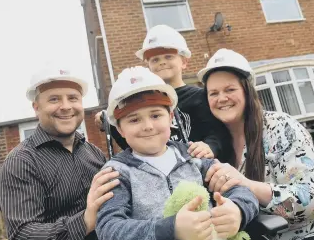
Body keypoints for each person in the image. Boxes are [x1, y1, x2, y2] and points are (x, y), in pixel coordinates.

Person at [95, 66, 280, 240]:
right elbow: (109, 231)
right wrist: (172, 230)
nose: (148, 126)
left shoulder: (194, 156)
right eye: (134, 119)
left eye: (156, 115)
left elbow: (239, 189)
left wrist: (237, 210)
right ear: (120, 129)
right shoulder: (117, 172)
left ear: (171, 117)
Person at [199, 48, 314, 240]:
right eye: (213, 93)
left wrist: (246, 185)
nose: (221, 98)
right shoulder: (210, 147)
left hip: (303, 237)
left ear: (247, 90)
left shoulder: (283, 128)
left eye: (230, 89)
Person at [0, 64, 120, 240]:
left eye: (73, 98)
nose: (65, 106)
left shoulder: (94, 154)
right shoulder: (21, 161)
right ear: (36, 107)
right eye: (54, 99)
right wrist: (85, 220)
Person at [95, 25, 232, 162]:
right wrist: (109, 122)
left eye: (168, 56)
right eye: (155, 60)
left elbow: (216, 132)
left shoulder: (199, 96)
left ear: (184, 62)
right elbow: (130, 143)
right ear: (148, 65)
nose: (162, 62)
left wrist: (210, 146)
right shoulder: (141, 102)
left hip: (197, 167)